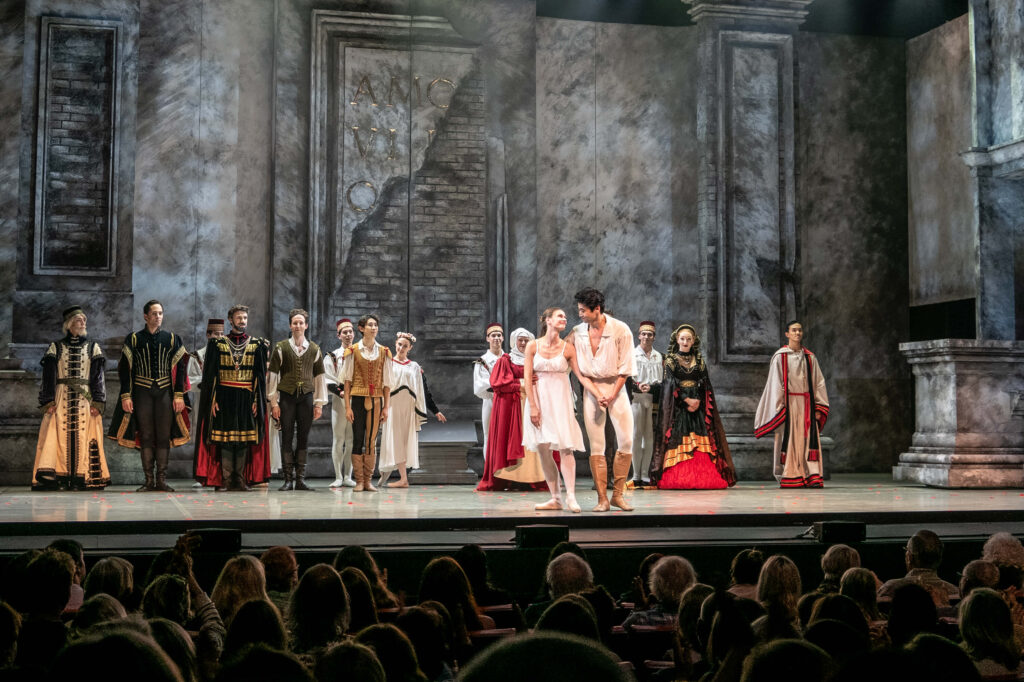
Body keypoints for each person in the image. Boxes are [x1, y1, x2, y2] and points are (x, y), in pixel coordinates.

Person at [108, 299, 190, 492]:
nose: (158, 316)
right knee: (146, 436)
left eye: (160, 313)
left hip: (165, 393)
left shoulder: (172, 338)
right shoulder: (134, 339)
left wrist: (178, 395)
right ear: (145, 316)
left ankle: (161, 480)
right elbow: (126, 370)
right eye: (154, 313)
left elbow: (180, 368)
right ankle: (148, 480)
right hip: (142, 392)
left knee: (163, 436)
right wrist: (126, 396)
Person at [569, 287, 636, 512]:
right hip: (591, 389)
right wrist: (597, 393)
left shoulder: (620, 330)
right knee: (597, 445)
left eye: (583, 310)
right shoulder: (577, 332)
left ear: (596, 309)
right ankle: (602, 499)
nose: (580, 314)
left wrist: (612, 394)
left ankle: (618, 495)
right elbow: (563, 353)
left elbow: (626, 368)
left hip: (616, 387)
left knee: (626, 440)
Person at [193, 304, 271, 492]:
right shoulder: (217, 344)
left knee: (243, 440)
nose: (242, 321)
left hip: (246, 398)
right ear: (231, 320)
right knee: (225, 440)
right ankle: (227, 479)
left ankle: (240, 479)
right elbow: (211, 376)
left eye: (244, 318)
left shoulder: (257, 344)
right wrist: (212, 400)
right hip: (224, 397)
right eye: (238, 318)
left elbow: (259, 378)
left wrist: (256, 401)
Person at [33, 306, 111, 491]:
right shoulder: (56, 347)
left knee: (84, 437)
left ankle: (79, 479)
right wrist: (48, 401)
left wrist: (98, 402)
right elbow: (48, 376)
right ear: (69, 324)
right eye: (78, 319)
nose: (83, 322)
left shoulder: (93, 347)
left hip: (85, 400)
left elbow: (98, 377)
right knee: (59, 438)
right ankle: (61, 479)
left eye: (84, 319)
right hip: (61, 397)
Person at [523, 307, 593, 513]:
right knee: (544, 449)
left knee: (566, 447)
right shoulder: (532, 346)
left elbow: (581, 376)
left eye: (564, 316)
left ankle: (571, 496)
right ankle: (555, 498)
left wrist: (599, 393)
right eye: (559, 316)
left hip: (561, 400)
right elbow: (527, 378)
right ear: (547, 320)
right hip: (539, 400)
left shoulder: (568, 348)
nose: (564, 319)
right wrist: (533, 406)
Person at [650, 324, 736, 489]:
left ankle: (702, 478)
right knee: (680, 437)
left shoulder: (699, 360)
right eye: (682, 338)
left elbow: (705, 384)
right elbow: (670, 385)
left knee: (700, 440)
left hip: (697, 407)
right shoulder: (671, 360)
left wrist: (697, 402)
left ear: (693, 340)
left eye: (688, 339)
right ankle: (679, 478)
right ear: (677, 339)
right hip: (679, 408)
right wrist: (686, 400)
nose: (685, 341)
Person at [754, 320, 830, 488]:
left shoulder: (810, 357)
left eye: (800, 330)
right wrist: (780, 407)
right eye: (794, 330)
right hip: (789, 404)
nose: (797, 333)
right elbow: (775, 383)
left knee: (807, 438)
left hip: (807, 404)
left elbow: (819, 382)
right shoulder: (780, 357)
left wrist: (819, 406)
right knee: (789, 439)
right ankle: (790, 473)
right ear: (787, 334)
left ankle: (811, 474)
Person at [476, 327, 546, 491]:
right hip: (512, 406)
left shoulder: (536, 360)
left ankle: (532, 478)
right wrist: (522, 383)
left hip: (532, 405)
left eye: (526, 340)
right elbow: (499, 383)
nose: (523, 343)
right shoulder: (505, 360)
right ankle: (510, 478)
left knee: (532, 441)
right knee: (510, 438)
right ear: (514, 341)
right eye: (520, 340)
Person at [268, 308, 328, 491]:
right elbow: (273, 376)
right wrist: (274, 402)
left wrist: (318, 404)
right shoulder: (281, 348)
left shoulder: (315, 349)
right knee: (286, 437)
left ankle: (300, 479)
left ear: (306, 326)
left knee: (303, 438)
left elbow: (319, 378)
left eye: (301, 322)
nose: (298, 325)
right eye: (295, 322)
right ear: (290, 325)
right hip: (286, 397)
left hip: (306, 398)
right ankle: (288, 479)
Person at [378, 332, 446, 488]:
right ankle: (387, 473)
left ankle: (403, 479)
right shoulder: (387, 363)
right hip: (392, 406)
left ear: (410, 348)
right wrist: (383, 407)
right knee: (392, 440)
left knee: (403, 442)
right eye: (399, 344)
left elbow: (424, 391)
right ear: (395, 344)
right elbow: (382, 386)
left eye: (405, 346)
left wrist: (435, 411)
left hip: (408, 408)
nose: (401, 348)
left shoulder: (414, 367)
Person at [341, 313, 393, 492]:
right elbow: (347, 382)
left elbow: (387, 383)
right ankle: (359, 480)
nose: (374, 328)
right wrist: (347, 406)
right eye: (370, 325)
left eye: (375, 325)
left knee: (371, 440)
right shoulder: (353, 351)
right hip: (357, 399)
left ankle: (368, 480)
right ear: (362, 328)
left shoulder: (384, 352)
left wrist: (386, 407)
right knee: (357, 439)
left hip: (376, 400)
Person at [187, 318, 223, 488]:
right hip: (206, 399)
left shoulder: (228, 353)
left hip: (223, 400)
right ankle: (203, 473)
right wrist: (205, 382)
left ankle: (221, 473)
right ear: (208, 335)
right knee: (204, 434)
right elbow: (191, 380)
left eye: (222, 334)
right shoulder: (198, 355)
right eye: (216, 334)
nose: (219, 337)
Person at [627, 321, 662, 487]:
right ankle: (635, 474)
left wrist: (652, 387)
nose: (646, 337)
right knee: (635, 434)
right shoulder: (632, 355)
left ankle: (645, 474)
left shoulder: (658, 356)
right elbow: (628, 377)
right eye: (644, 334)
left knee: (649, 435)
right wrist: (638, 385)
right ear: (639, 335)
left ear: (654, 337)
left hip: (651, 398)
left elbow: (661, 380)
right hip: (636, 398)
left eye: (650, 334)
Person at [325, 318, 357, 488]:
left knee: (351, 439)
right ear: (339, 335)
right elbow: (328, 380)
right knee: (338, 438)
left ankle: (348, 476)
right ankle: (338, 476)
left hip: (356, 401)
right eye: (344, 332)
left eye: (350, 331)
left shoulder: (360, 354)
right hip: (339, 402)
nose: (348, 335)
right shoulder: (332, 356)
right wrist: (342, 392)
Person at [473, 323, 504, 458]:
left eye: (499, 335)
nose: (496, 338)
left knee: (506, 435)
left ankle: (506, 472)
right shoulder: (482, 361)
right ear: (487, 339)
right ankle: (490, 471)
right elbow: (479, 385)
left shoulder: (509, 358)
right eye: (493, 335)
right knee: (489, 435)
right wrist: (499, 383)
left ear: (503, 338)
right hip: (491, 400)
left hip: (508, 401)